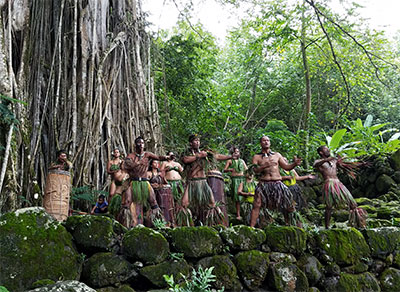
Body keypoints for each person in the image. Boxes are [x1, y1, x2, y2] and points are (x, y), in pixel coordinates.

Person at [250, 136, 302, 227]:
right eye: (264, 140)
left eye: (268, 140)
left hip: (277, 183)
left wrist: (294, 164)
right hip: (264, 184)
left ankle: (295, 226)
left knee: (288, 204)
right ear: (260, 143)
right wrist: (264, 166)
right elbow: (253, 170)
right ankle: (251, 228)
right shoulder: (256, 157)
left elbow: (286, 167)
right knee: (257, 204)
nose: (266, 142)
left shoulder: (277, 155)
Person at [181, 134, 232, 226]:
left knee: (212, 204)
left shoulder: (205, 153)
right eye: (195, 141)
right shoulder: (187, 153)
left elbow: (217, 156)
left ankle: (214, 224)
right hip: (192, 182)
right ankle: (188, 225)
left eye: (198, 141)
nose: (197, 142)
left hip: (203, 182)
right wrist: (199, 156)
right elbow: (185, 160)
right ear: (190, 143)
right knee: (184, 203)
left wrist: (230, 157)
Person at [313, 145, 367, 228]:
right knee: (329, 206)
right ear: (321, 152)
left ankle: (359, 223)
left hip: (338, 183)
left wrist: (360, 165)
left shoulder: (334, 161)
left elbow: (348, 165)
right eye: (325, 149)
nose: (328, 150)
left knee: (352, 203)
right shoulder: (319, 161)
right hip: (329, 183)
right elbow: (315, 165)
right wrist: (326, 160)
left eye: (328, 149)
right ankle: (327, 227)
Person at [123, 136, 169, 227]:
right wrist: (139, 163)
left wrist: (166, 157)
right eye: (139, 143)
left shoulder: (147, 155)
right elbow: (128, 166)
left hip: (145, 183)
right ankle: (126, 224)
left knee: (153, 201)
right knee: (127, 202)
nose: (141, 145)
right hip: (134, 182)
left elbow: (158, 157)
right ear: (135, 145)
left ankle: (159, 224)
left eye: (142, 143)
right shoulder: (130, 156)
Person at [148, 160, 175, 226]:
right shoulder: (149, 173)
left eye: (157, 163)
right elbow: (146, 183)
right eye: (155, 162)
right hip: (153, 193)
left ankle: (167, 221)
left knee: (164, 205)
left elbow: (166, 183)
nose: (157, 164)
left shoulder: (160, 174)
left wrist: (162, 181)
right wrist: (151, 185)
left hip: (161, 193)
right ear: (151, 165)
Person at [224, 147, 248, 220]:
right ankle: (238, 214)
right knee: (237, 197)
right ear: (232, 153)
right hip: (235, 180)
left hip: (242, 179)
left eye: (238, 151)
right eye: (235, 152)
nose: (237, 153)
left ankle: (246, 213)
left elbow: (246, 170)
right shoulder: (230, 161)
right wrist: (229, 169)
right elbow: (224, 170)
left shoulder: (242, 161)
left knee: (244, 195)